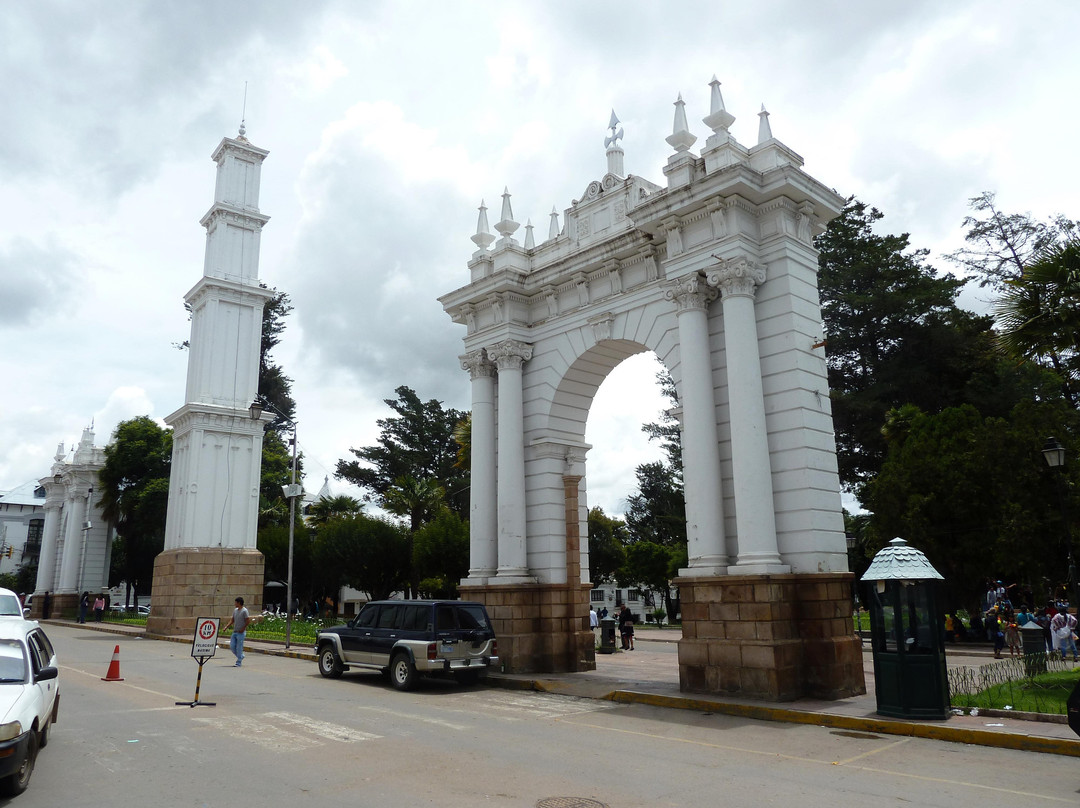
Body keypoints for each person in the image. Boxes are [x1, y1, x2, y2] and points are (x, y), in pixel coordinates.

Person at [224, 596, 252, 667]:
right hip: (235, 631)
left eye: (236, 602)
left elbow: (248, 621)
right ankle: (241, 656)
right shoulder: (235, 610)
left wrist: (243, 628)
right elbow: (232, 620)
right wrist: (226, 627)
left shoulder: (244, 611)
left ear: (239, 603)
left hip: (241, 632)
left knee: (239, 647)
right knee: (232, 646)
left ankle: (238, 662)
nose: (235, 603)